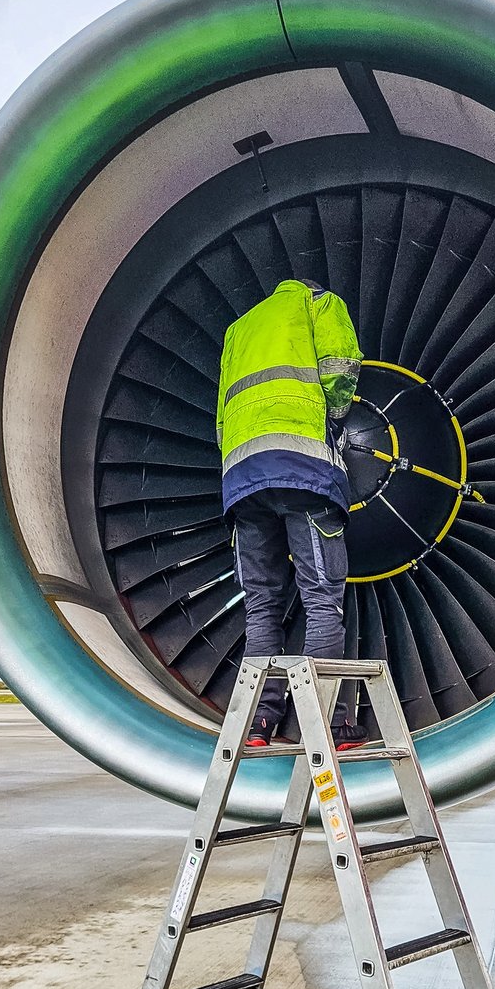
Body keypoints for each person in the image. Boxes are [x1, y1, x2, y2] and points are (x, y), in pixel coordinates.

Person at [216, 276, 369, 749]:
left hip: (241, 477)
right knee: (322, 599)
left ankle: (259, 723)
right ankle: (326, 724)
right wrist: (336, 416)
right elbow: (340, 369)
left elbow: (222, 417)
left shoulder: (238, 329)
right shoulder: (321, 304)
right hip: (303, 469)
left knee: (262, 606)